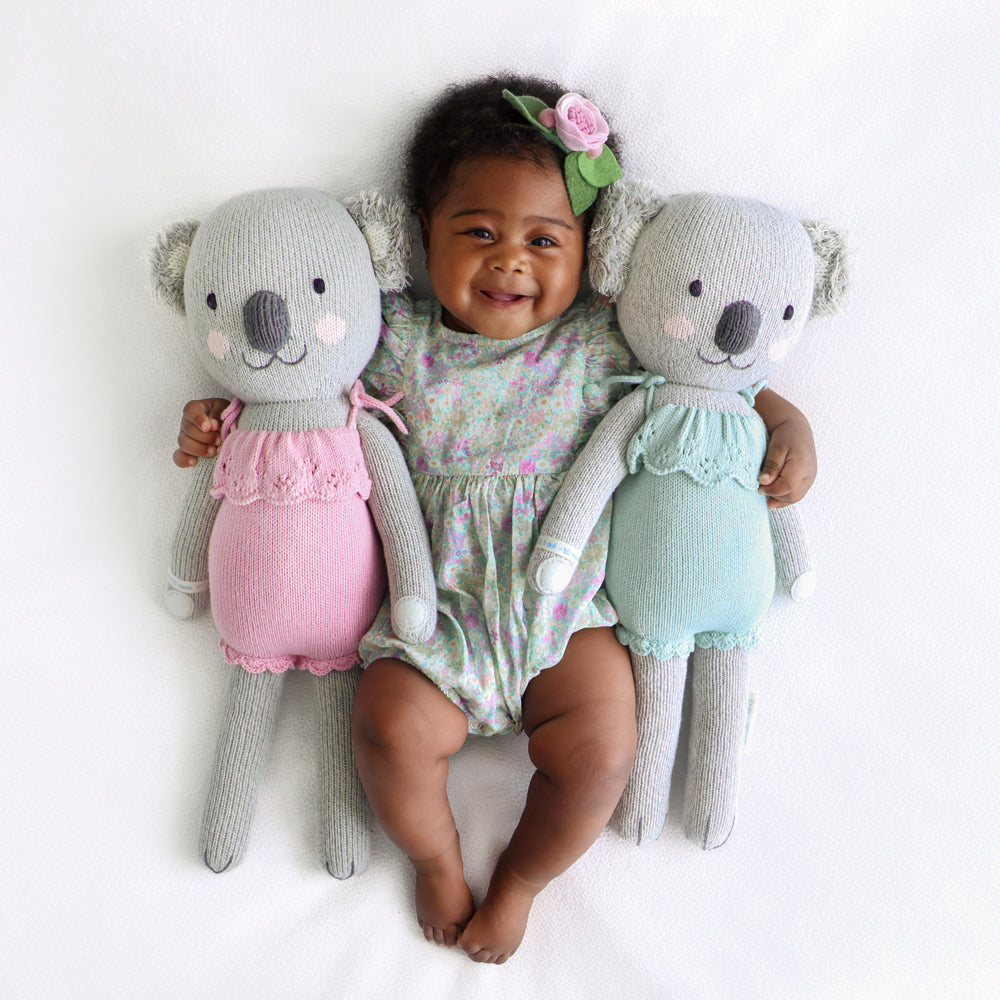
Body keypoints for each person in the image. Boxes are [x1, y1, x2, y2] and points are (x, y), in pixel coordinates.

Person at [170, 75, 818, 963]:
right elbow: (296, 377)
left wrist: (789, 425)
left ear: (594, 254)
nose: (510, 259)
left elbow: (722, 381)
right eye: (477, 231)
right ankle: (437, 859)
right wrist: (214, 409)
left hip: (566, 620)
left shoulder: (603, 337)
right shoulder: (392, 335)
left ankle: (519, 880)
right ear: (415, 241)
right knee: (386, 727)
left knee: (600, 751)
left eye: (544, 239)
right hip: (430, 617)